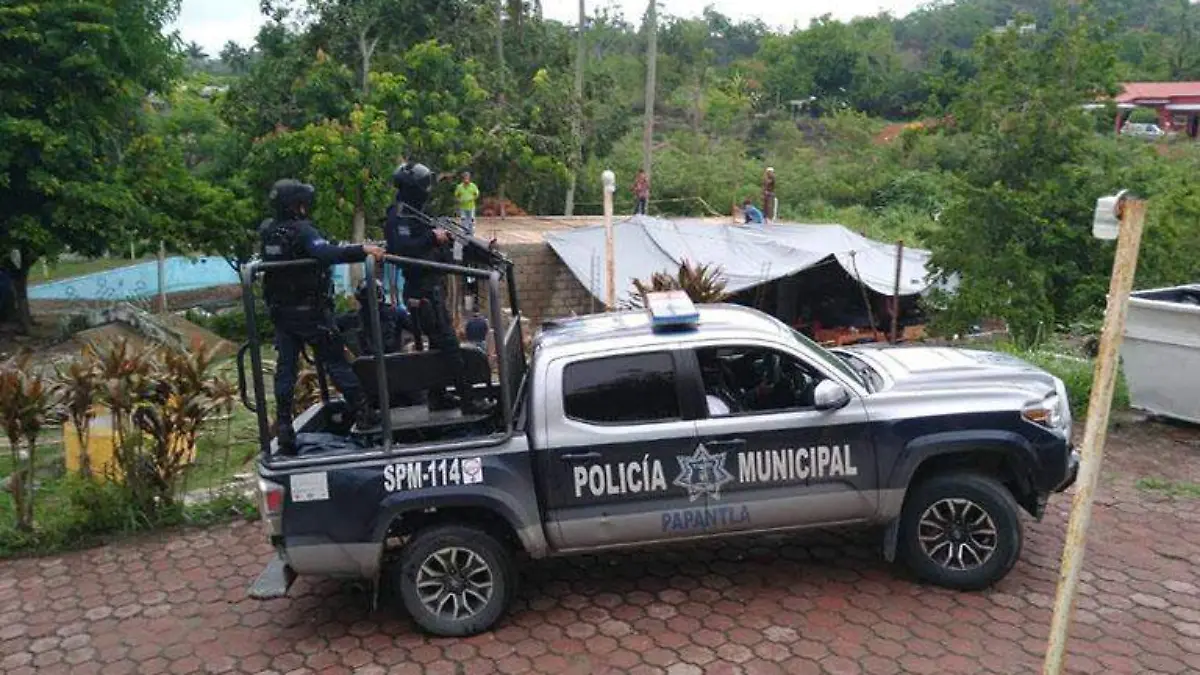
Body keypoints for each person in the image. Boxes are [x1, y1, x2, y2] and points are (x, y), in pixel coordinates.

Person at [259, 179, 386, 454]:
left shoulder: (269, 232)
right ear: (297, 206)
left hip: (283, 314)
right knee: (335, 363)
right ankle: (364, 413)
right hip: (311, 313)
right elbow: (323, 253)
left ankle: (283, 427)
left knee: (286, 370)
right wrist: (361, 249)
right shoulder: (302, 231)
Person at [386, 162, 494, 415]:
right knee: (448, 346)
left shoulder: (414, 212)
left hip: (431, 287)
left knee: (438, 346)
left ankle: (438, 396)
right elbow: (402, 248)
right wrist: (431, 238)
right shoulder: (399, 215)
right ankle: (468, 401)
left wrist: (482, 250)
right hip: (420, 290)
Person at [354, 278, 411, 355]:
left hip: (394, 361)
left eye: (376, 293)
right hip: (366, 363)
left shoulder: (396, 312)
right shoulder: (355, 317)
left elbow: (416, 328)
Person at [454, 171, 480, 236]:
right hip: (463, 207)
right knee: (463, 220)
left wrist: (472, 198)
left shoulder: (473, 186)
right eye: (465, 178)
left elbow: (477, 194)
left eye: (467, 177)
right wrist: (459, 200)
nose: (466, 179)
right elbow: (456, 195)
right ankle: (464, 233)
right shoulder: (459, 187)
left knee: (471, 220)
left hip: (471, 206)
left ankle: (471, 234)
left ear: (469, 178)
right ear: (462, 179)